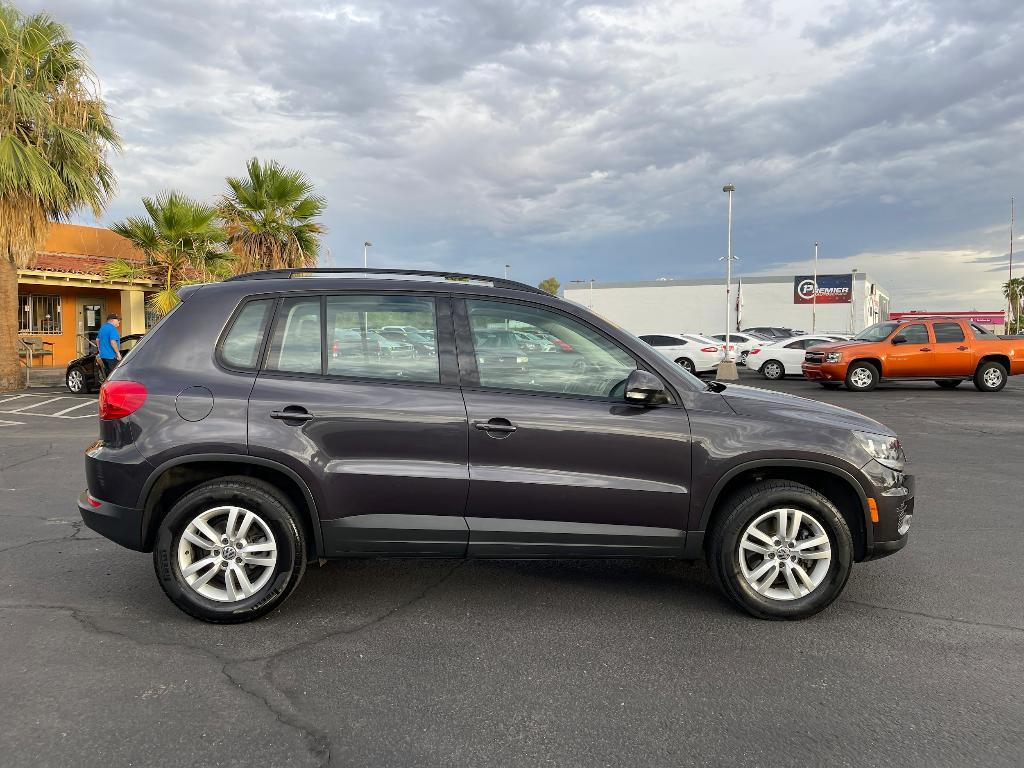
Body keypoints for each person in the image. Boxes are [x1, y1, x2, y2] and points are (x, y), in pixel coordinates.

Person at [96, 313, 121, 377]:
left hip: (103, 356)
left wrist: (99, 349)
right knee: (114, 376)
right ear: (112, 320)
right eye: (118, 320)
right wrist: (118, 353)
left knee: (108, 375)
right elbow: (113, 342)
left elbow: (97, 340)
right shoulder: (112, 329)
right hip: (112, 357)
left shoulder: (103, 328)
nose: (119, 321)